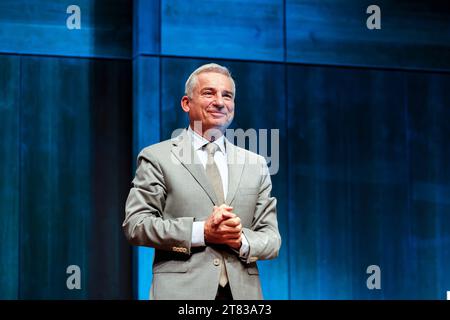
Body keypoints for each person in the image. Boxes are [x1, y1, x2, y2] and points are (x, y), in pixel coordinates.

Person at [123, 63, 281, 300]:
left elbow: (272, 238)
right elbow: (136, 225)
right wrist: (202, 232)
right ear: (186, 103)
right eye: (209, 93)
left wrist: (240, 240)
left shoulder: (256, 163)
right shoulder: (157, 157)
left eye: (226, 95)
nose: (219, 101)